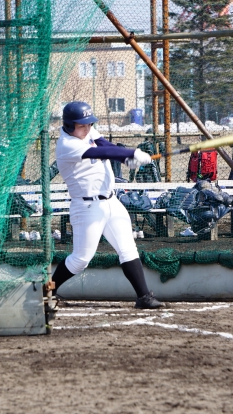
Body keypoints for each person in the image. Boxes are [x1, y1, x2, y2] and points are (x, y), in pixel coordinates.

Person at [50, 101, 163, 309]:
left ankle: (144, 297)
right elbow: (98, 153)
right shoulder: (67, 145)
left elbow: (104, 145)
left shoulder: (87, 132)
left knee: (128, 249)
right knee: (81, 259)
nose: (87, 128)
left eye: (89, 124)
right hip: (87, 208)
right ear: (69, 125)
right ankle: (46, 291)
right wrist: (131, 153)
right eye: (82, 125)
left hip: (111, 201)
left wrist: (126, 158)